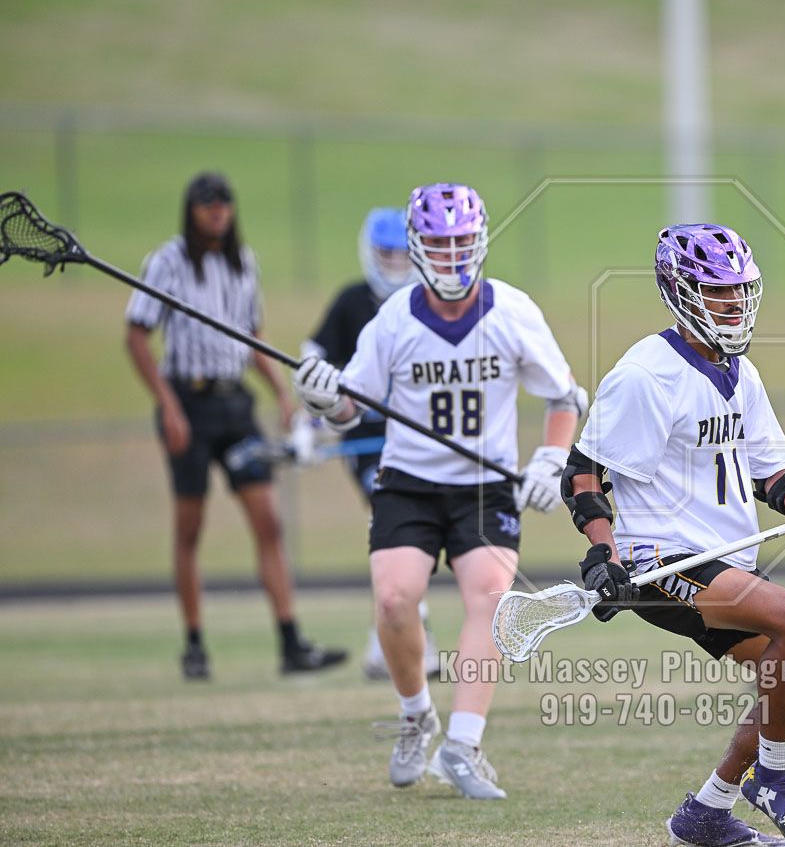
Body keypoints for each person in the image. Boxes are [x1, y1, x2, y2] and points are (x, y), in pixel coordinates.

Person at [292, 183, 584, 799]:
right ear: (418, 247)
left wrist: (550, 459)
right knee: (395, 601)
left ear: (480, 242)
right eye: (439, 243)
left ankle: (463, 747)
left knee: (491, 598)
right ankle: (416, 717)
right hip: (410, 483)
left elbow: (564, 396)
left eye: (461, 242)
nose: (452, 256)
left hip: (485, 486)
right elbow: (351, 406)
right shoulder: (395, 319)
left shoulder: (512, 311)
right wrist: (323, 399)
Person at [563, 223, 785, 846]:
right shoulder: (645, 374)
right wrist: (603, 554)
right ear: (679, 292)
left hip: (723, 562)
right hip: (659, 564)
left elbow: (769, 473)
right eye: (718, 290)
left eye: (741, 289)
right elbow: (583, 474)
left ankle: (707, 812)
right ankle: (776, 780)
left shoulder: (741, 372)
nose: (734, 302)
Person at [124, 171, 347, 680]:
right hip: (188, 400)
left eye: (223, 204)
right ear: (191, 210)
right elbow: (137, 336)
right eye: (208, 204)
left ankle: (290, 641)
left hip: (235, 404)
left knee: (268, 521)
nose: (217, 212)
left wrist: (282, 394)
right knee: (190, 527)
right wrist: (168, 406)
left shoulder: (243, 262)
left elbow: (250, 338)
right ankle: (194, 643)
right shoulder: (167, 262)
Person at [300, 207, 441, 681]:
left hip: (417, 437)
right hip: (366, 438)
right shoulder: (351, 303)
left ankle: (387, 641)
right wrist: (309, 424)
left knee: (408, 536)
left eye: (403, 255)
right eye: (387, 255)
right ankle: (410, 636)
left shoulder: (428, 305)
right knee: (391, 524)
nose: (396, 265)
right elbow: (314, 364)